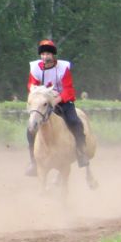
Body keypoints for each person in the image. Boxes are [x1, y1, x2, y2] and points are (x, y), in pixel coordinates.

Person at [26, 38, 95, 182]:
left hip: (61, 101)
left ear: (53, 55)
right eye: (43, 54)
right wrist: (38, 98)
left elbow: (68, 89)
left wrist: (56, 100)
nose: (45, 57)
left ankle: (81, 152)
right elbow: (32, 86)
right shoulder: (35, 68)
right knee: (30, 128)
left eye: (48, 54)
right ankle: (33, 160)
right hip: (43, 103)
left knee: (74, 121)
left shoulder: (63, 68)